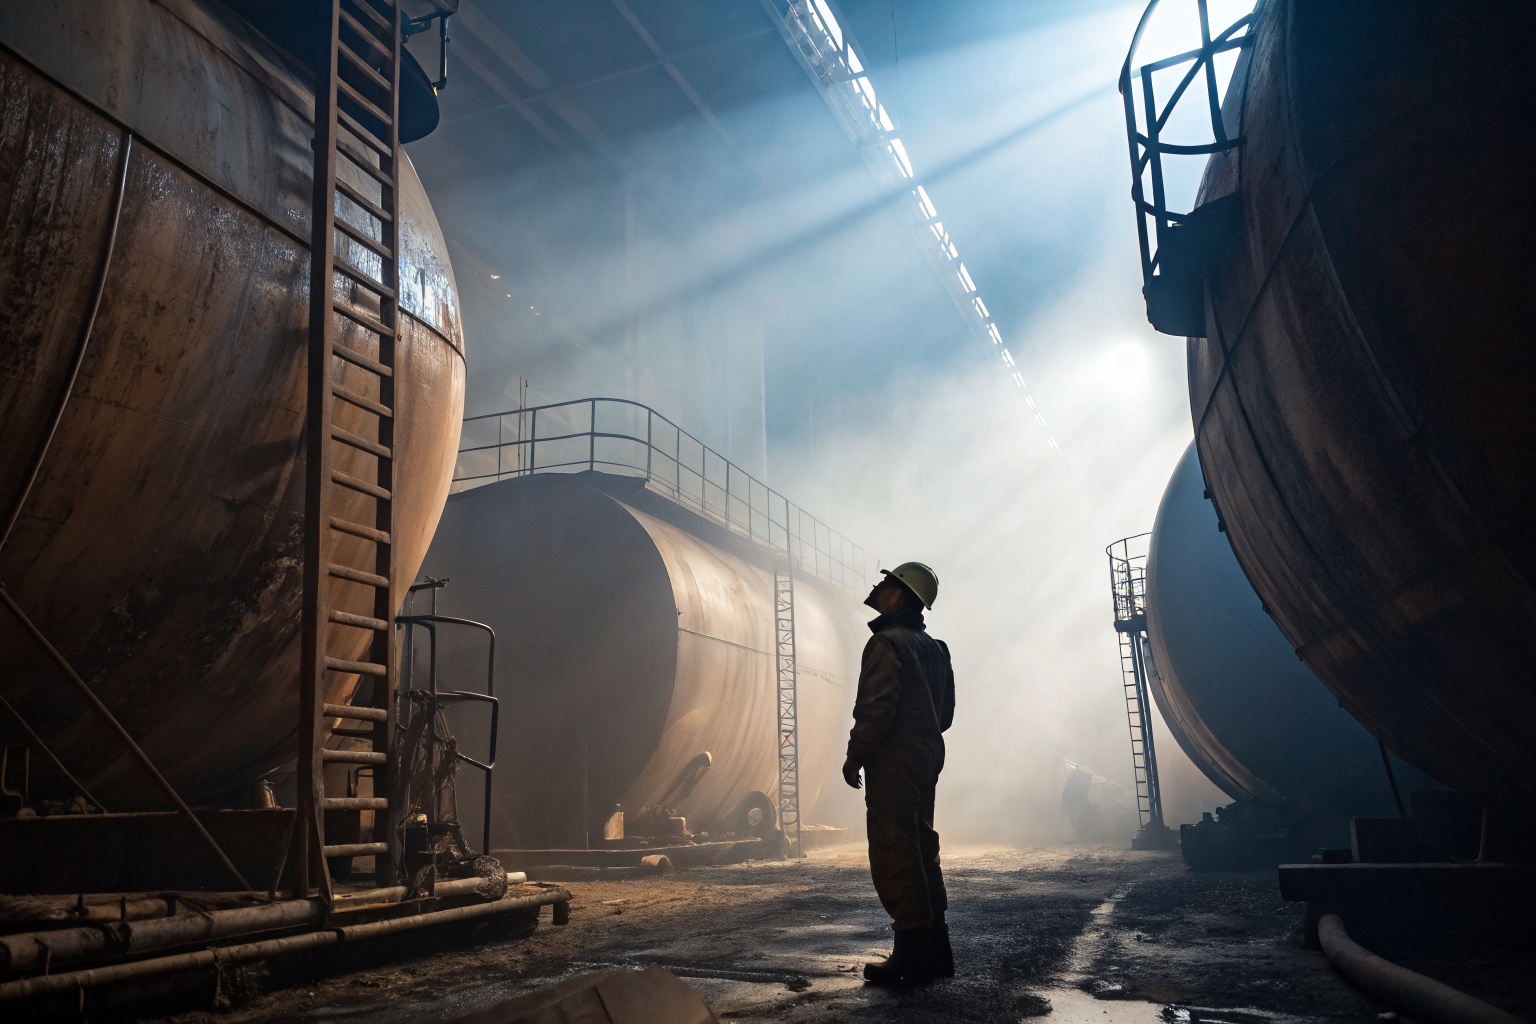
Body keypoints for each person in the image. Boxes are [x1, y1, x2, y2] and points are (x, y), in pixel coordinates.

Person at [842, 561, 955, 984]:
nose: (879, 587)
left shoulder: (887, 643)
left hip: (894, 757)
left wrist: (856, 755)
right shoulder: (935, 647)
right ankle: (938, 948)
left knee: (896, 848)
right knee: (923, 845)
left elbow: (876, 708)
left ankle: (910, 952)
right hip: (927, 754)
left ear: (902, 595)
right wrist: (922, 734)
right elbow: (944, 715)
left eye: (887, 583)